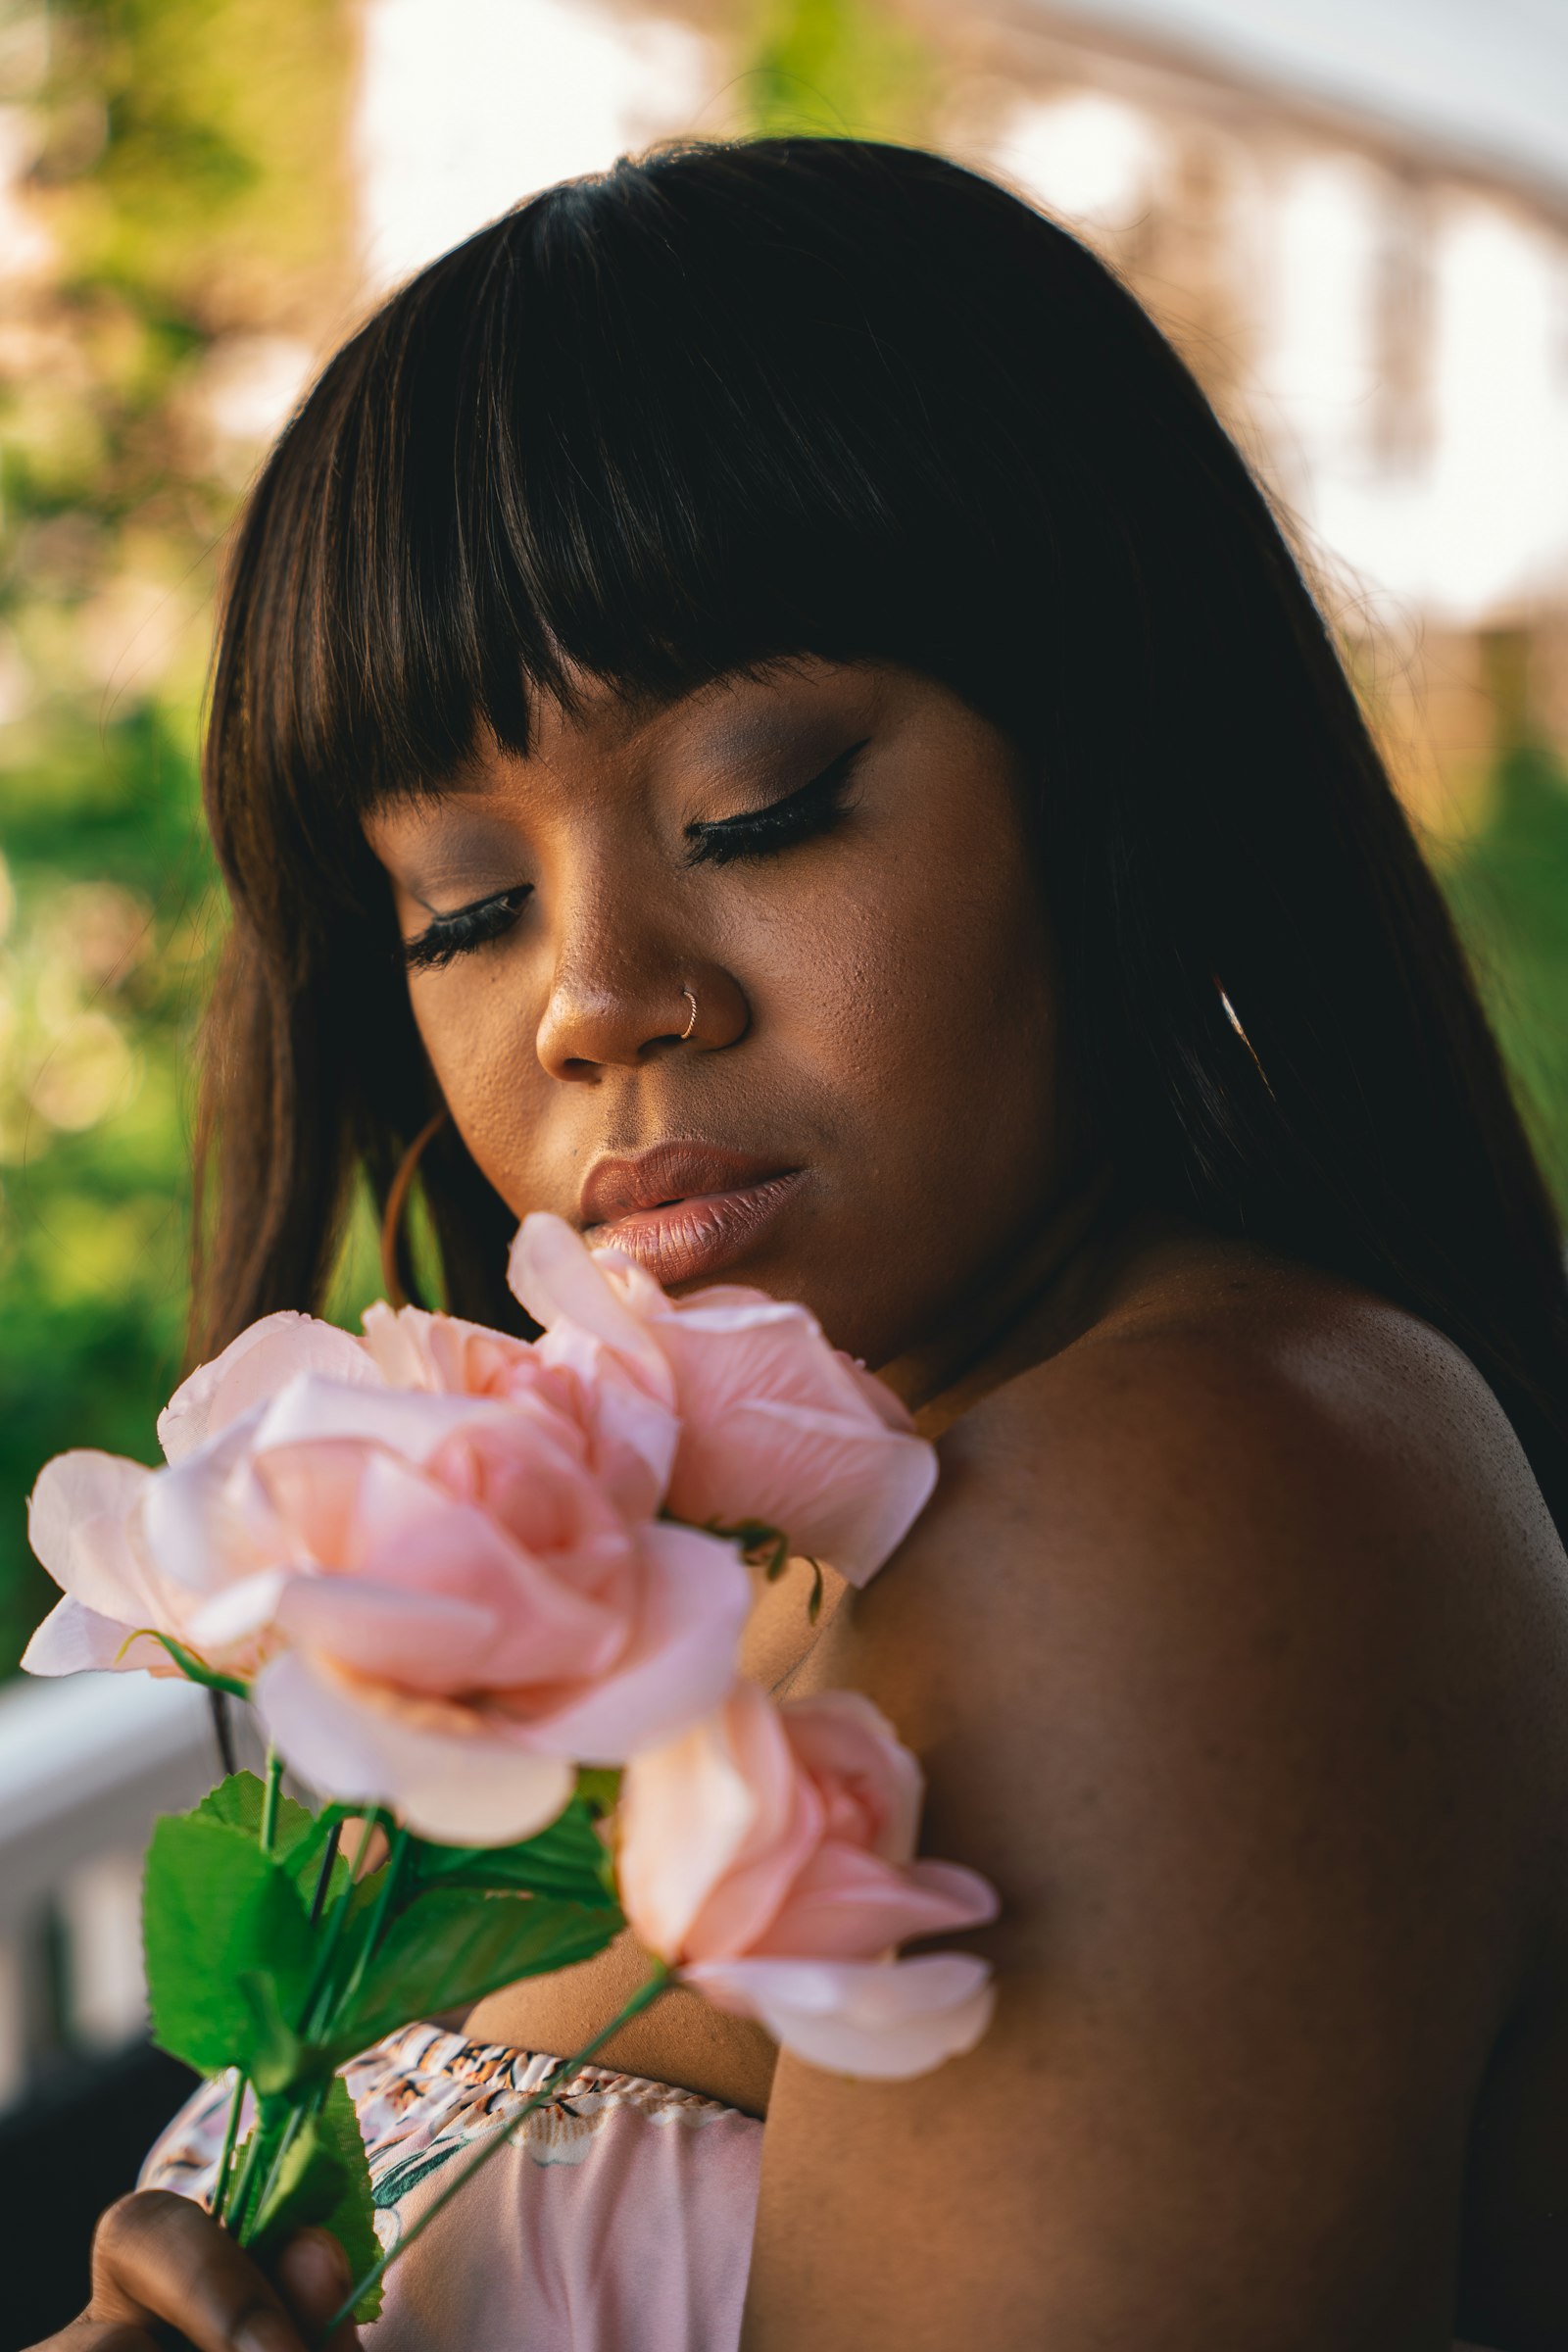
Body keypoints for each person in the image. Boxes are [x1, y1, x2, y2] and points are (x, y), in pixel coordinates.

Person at [34, 134, 1568, 2352]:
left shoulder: (1174, 1506)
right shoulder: (701, 1583)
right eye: (459, 909)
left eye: (753, 804)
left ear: (1109, 762)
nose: (589, 994)